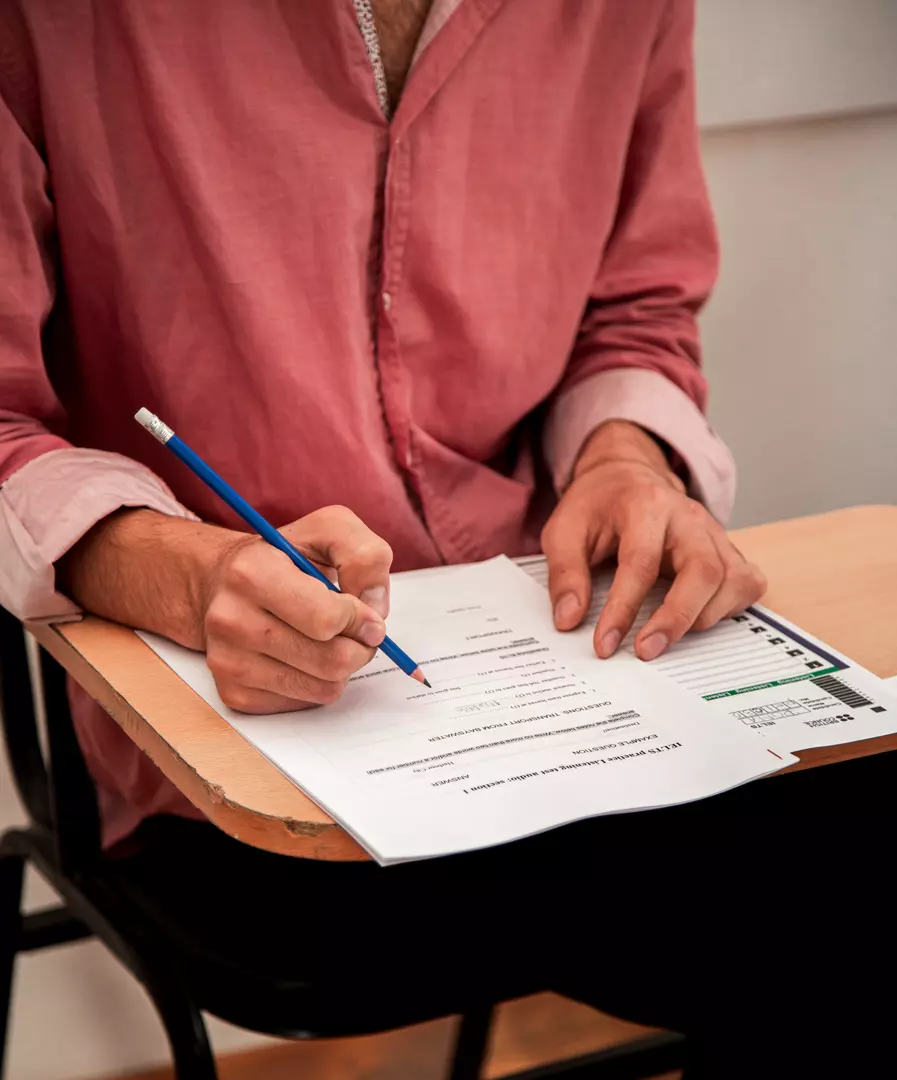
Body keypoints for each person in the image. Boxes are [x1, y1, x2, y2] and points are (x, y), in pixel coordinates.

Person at [1, 3, 890, 1076]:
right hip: (241, 798)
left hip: (572, 680)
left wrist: (624, 457)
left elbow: (636, 308)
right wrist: (185, 574)